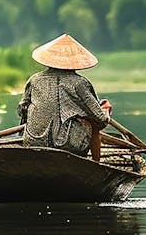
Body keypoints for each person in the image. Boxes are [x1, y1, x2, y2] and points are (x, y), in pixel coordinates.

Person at [17, 33, 112, 161]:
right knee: (92, 123)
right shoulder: (80, 83)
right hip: (67, 145)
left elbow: (22, 109)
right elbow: (100, 119)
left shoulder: (34, 79)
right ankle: (97, 164)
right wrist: (106, 110)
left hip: (33, 142)